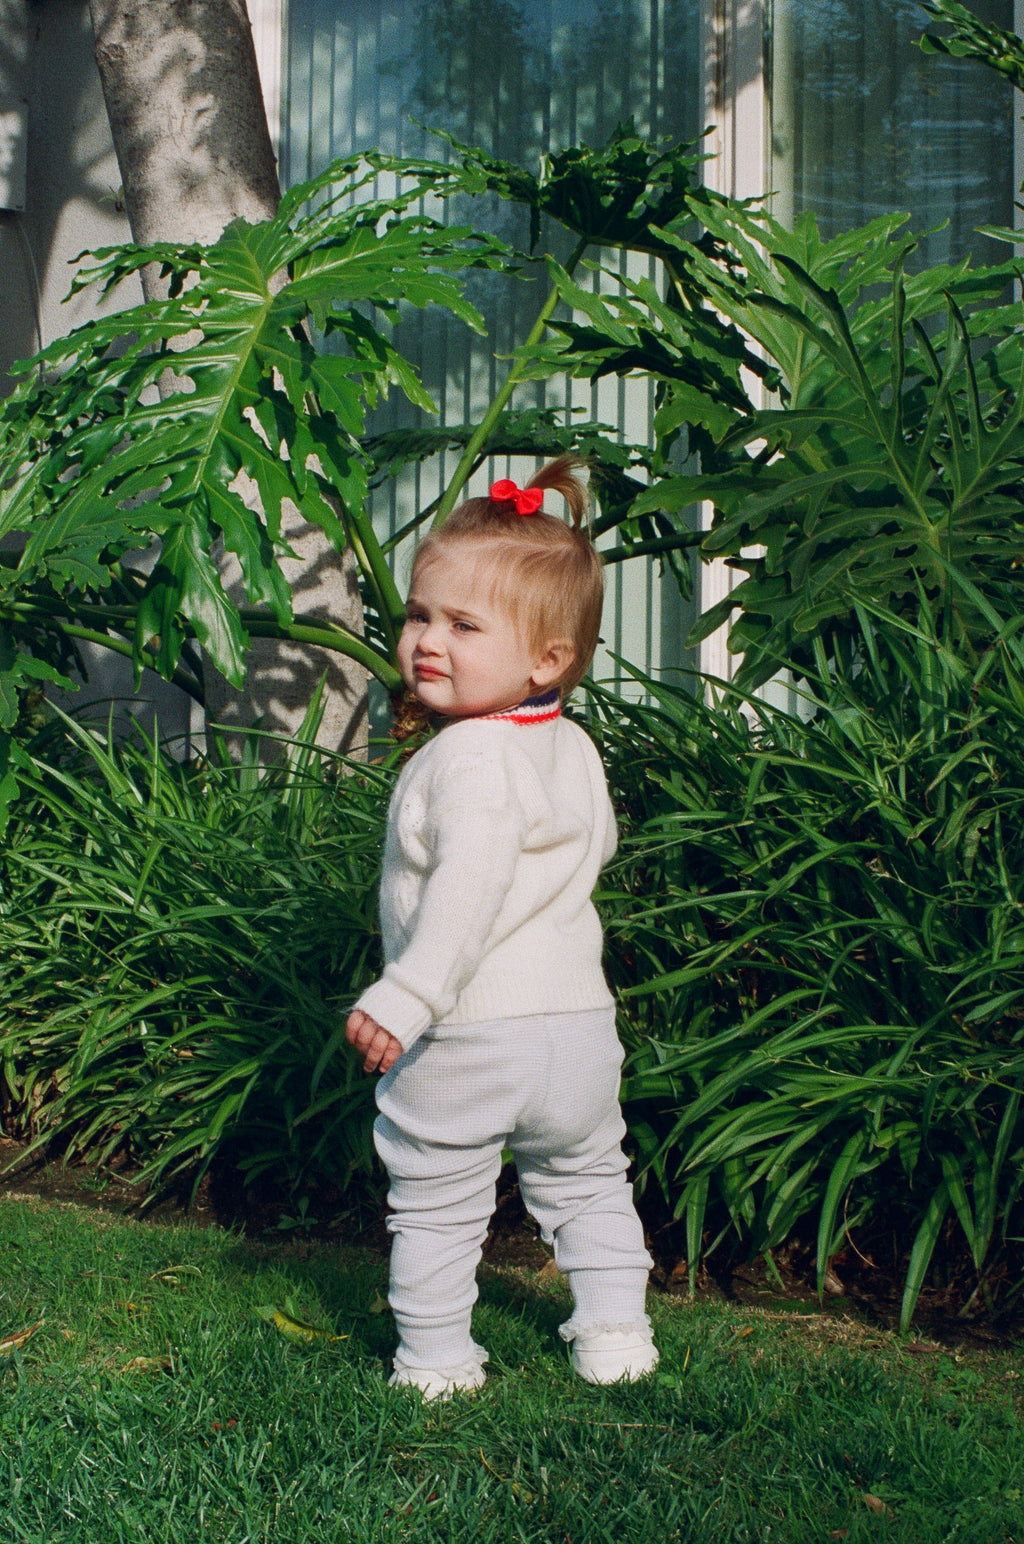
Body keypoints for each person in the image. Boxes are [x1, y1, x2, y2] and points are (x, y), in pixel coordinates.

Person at [345, 456, 658, 1399]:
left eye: (463, 625)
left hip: (469, 1029)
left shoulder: (470, 756)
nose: (427, 642)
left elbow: (469, 887)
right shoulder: (571, 745)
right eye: (419, 615)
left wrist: (408, 993)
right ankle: (616, 1337)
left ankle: (436, 1363)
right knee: (590, 1181)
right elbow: (589, 851)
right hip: (576, 1030)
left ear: (546, 658)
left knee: (436, 1203)